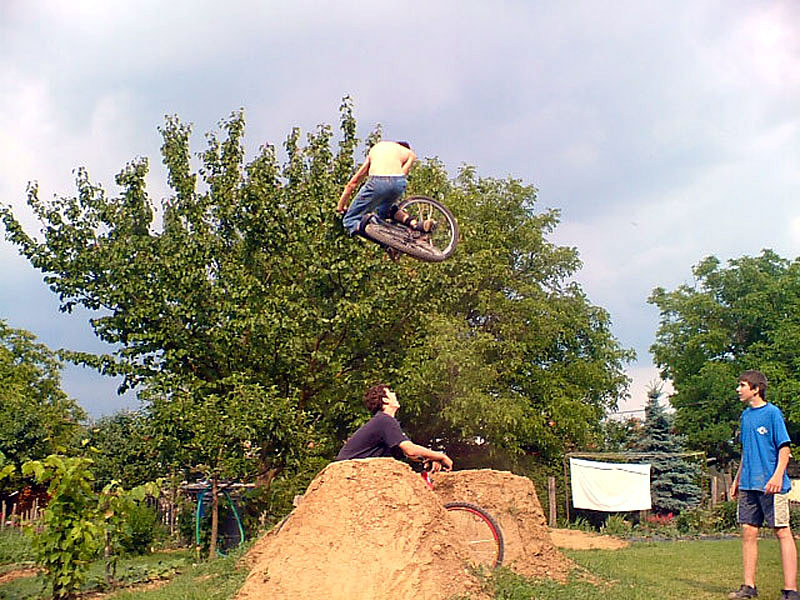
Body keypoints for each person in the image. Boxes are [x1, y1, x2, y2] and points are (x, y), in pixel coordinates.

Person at [728, 370, 798, 600]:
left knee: (782, 531)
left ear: (756, 389)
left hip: (772, 485)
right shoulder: (745, 416)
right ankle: (749, 587)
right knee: (748, 532)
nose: (738, 390)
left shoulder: (772, 413)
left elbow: (784, 448)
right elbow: (747, 451)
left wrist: (777, 476)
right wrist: (738, 479)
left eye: (742, 385)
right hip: (749, 484)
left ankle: (791, 590)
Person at [336, 383, 453, 472]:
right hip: (349, 472)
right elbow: (410, 450)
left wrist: (428, 458)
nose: (394, 394)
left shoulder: (383, 421)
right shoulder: (384, 420)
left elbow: (409, 454)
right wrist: (440, 456)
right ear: (385, 400)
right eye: (390, 392)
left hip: (355, 470)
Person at [336, 140, 434, 237]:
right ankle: (415, 224)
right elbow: (402, 174)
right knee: (387, 210)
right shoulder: (409, 153)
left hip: (377, 182)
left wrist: (341, 206)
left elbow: (352, 184)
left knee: (349, 219)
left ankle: (377, 235)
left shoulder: (377, 149)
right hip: (399, 182)